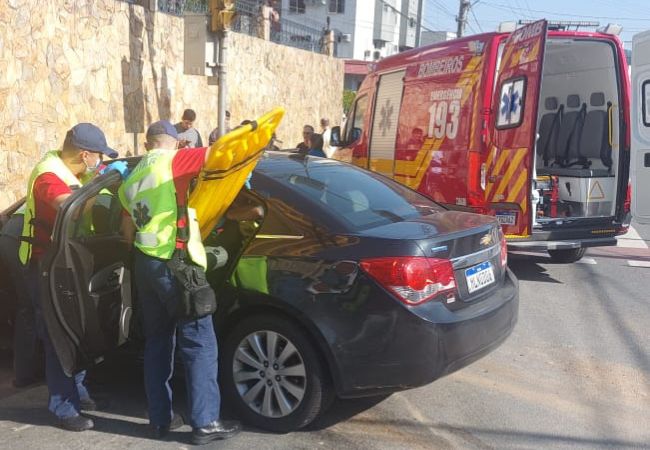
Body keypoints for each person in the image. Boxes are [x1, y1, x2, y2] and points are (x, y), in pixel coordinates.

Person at [118, 121, 241, 444]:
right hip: (178, 265)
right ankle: (205, 422)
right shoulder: (174, 161)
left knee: (158, 343)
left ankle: (160, 420)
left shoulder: (130, 178)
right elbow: (220, 152)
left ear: (146, 143)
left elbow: (126, 229)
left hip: (146, 264)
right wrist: (253, 137)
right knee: (200, 343)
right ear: (175, 142)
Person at [19, 123, 127, 432]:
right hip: (46, 267)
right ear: (84, 154)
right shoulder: (49, 175)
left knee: (76, 331)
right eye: (97, 157)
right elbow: (69, 207)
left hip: (67, 262)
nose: (98, 161)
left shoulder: (70, 170)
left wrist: (97, 177)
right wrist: (99, 182)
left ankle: (77, 392)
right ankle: (62, 406)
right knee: (59, 336)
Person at [0, 208, 42, 388]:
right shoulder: (100, 193)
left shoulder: (70, 181)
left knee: (29, 306)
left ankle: (26, 371)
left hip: (14, 231)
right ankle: (25, 374)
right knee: (32, 306)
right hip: (24, 235)